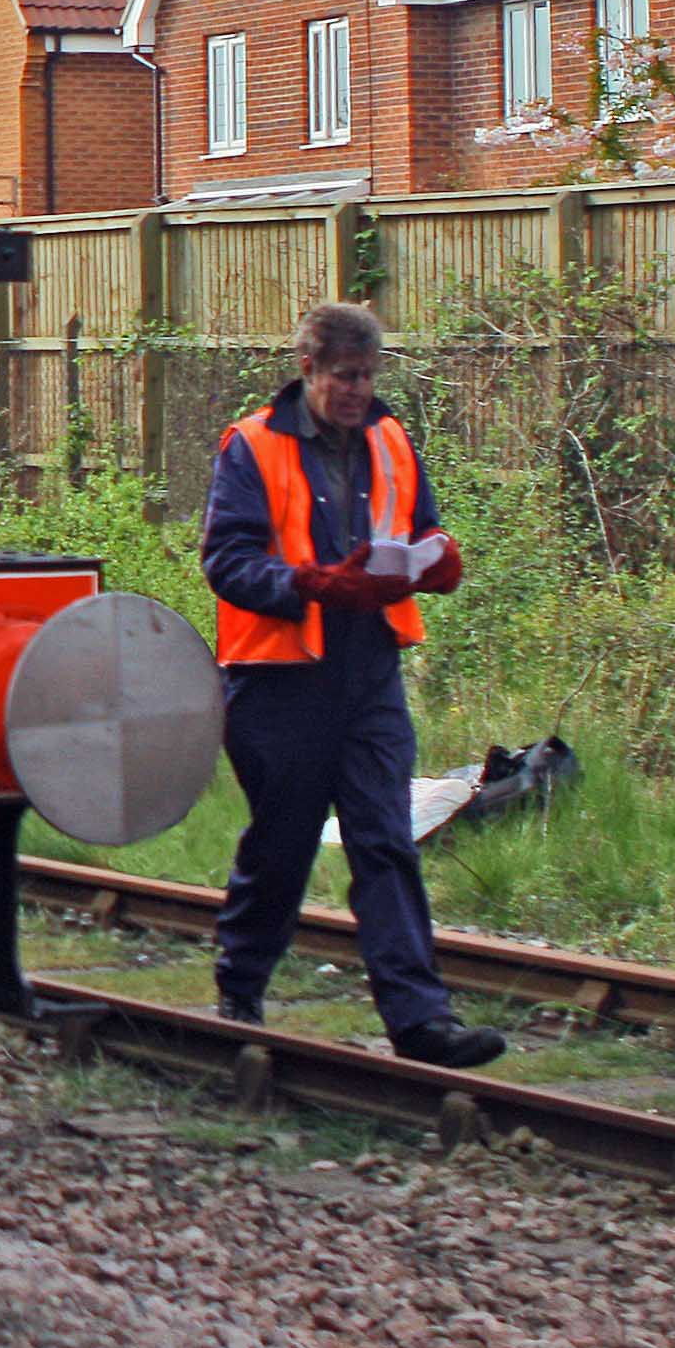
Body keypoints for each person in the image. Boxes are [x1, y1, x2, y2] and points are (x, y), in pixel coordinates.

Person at [196, 302, 506, 1068]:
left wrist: (437, 561)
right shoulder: (252, 445)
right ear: (309, 369)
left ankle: (419, 1022)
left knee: (384, 841)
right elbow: (225, 562)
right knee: (283, 843)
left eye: (368, 375)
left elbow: (423, 526)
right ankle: (241, 987)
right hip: (276, 681)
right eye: (344, 376)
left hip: (369, 670)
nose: (358, 390)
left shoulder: (392, 439)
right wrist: (307, 585)